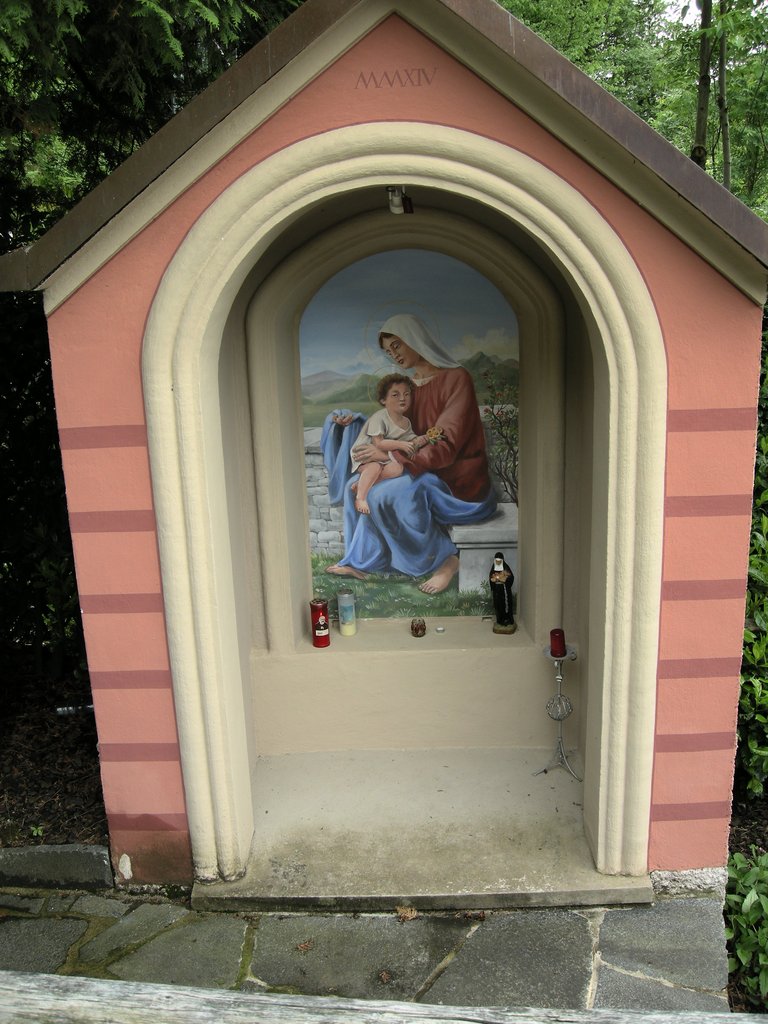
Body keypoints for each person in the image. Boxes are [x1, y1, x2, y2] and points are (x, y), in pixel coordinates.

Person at [326, 313, 497, 593]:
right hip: (418, 465)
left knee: (384, 494)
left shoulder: (457, 379)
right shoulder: (410, 386)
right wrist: (356, 423)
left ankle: (446, 560)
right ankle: (364, 561)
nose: (393, 355)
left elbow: (447, 442)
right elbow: (394, 423)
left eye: (397, 345)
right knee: (354, 488)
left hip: (455, 478)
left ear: (415, 339)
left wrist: (397, 461)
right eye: (388, 351)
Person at [350, 374, 427, 514]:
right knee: (374, 467)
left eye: (406, 394)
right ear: (383, 400)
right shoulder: (379, 417)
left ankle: (363, 483)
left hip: (385, 456)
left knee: (397, 468)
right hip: (365, 454)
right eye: (395, 395)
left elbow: (410, 439)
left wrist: (420, 439)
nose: (402, 398)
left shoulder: (406, 422)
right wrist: (401, 445)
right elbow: (379, 443)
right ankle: (361, 497)